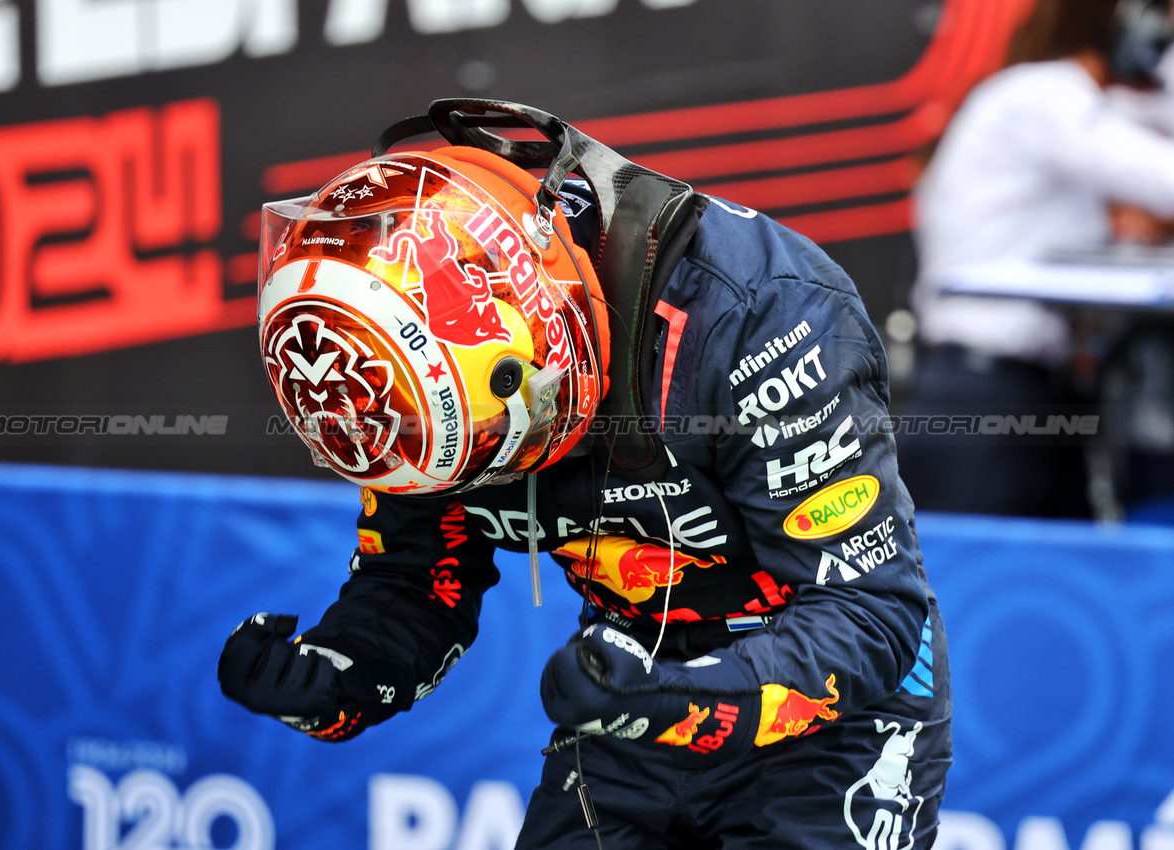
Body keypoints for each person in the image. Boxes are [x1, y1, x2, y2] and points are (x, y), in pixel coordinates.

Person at [217, 99, 951, 848]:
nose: (477, 469)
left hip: (833, 713)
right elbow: (415, 581)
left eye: (493, 437)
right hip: (627, 681)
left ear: (535, 334)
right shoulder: (409, 393)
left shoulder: (760, 316)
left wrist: (668, 697)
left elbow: (867, 620)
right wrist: (336, 677)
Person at [901, 0, 1174, 516]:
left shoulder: (1055, 99)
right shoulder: (1044, 94)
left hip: (1038, 395)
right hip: (987, 397)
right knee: (973, 588)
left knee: (1059, 586)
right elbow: (1164, 178)